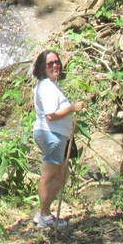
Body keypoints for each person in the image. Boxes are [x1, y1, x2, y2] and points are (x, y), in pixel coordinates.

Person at [32, 49, 84, 228]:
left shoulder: (50, 85)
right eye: (50, 64)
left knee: (63, 173)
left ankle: (43, 212)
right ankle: (45, 215)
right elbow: (51, 115)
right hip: (51, 134)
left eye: (57, 62)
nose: (55, 65)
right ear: (42, 67)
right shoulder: (46, 86)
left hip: (57, 134)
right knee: (49, 175)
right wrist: (73, 108)